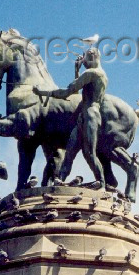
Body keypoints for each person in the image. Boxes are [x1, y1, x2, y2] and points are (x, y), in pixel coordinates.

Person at [33, 47, 108, 189]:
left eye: (85, 58)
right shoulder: (100, 73)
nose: (83, 61)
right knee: (69, 152)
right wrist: (77, 71)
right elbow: (78, 91)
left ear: (92, 57)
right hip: (83, 117)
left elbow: (67, 92)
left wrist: (43, 92)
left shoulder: (92, 73)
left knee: (89, 154)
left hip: (90, 116)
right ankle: (59, 181)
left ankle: (102, 183)